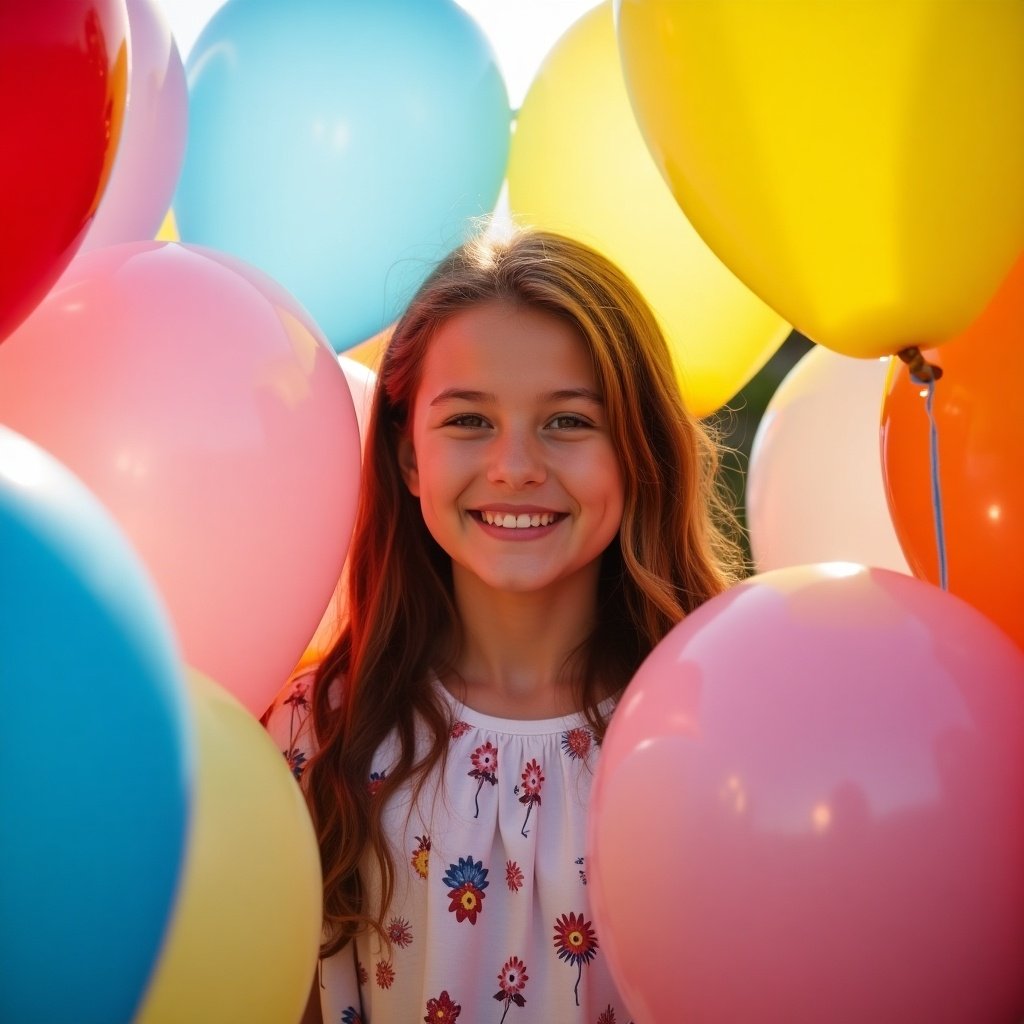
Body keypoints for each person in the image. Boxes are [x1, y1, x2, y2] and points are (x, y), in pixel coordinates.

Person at [267, 227, 745, 1023]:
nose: (516, 465)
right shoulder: (317, 733)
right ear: (410, 458)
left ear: (637, 449)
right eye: (468, 422)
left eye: (567, 422)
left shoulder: (724, 732)